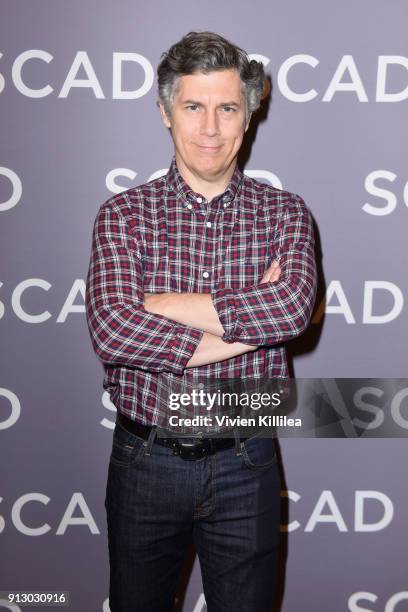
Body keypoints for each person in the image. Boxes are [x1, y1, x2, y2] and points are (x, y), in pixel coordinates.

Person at [85, 31, 317, 612]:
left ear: (248, 115)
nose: (210, 128)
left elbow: (290, 308)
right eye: (193, 106)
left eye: (227, 108)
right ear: (166, 113)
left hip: (247, 457)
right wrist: (250, 314)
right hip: (146, 458)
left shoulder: (286, 212)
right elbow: (113, 329)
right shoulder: (123, 214)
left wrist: (160, 305)